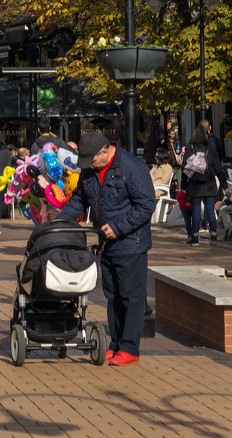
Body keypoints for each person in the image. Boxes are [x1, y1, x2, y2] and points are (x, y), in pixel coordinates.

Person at [57, 131, 155, 366]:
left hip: (131, 243)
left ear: (104, 151)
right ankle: (116, 343)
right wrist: (60, 221)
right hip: (107, 242)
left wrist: (118, 227)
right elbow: (80, 199)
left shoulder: (132, 167)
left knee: (131, 296)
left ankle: (129, 348)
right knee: (113, 296)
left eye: (92, 160)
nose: (89, 165)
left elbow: (145, 205)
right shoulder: (90, 170)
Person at [182, 125, 226, 244]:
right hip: (209, 183)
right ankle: (213, 234)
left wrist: (183, 186)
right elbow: (218, 169)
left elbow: (184, 168)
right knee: (210, 210)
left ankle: (194, 236)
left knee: (196, 210)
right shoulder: (211, 149)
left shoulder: (190, 148)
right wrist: (224, 184)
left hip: (194, 184)